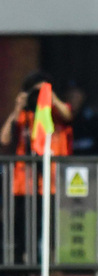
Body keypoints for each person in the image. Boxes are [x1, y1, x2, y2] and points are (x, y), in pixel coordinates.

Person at [0, 71, 73, 264]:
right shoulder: (23, 115)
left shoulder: (57, 112)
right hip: (24, 185)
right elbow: (4, 138)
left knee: (53, 240)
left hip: (52, 184)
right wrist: (18, 107)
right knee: (20, 239)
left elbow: (68, 115)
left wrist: (50, 96)